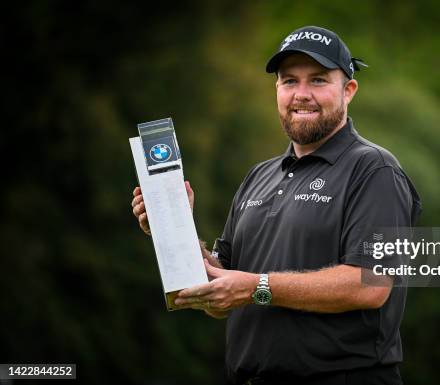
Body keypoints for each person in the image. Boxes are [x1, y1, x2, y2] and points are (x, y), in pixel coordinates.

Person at [132, 25, 421, 385]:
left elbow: (371, 285)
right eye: (289, 81)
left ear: (348, 90)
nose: (301, 94)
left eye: (317, 80)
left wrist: (256, 287)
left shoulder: (374, 170)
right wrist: (174, 226)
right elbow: (222, 288)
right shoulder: (259, 176)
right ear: (277, 90)